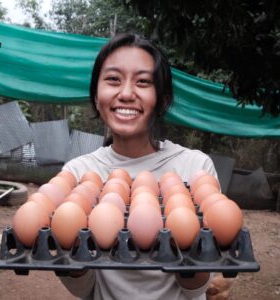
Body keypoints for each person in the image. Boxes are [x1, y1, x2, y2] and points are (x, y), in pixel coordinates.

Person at [59, 33, 218, 300]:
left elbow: (196, 288)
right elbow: (83, 289)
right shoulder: (78, 174)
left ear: (162, 99)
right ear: (96, 95)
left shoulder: (195, 167)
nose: (126, 93)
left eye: (143, 82)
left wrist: (188, 247)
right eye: (113, 79)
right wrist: (72, 243)